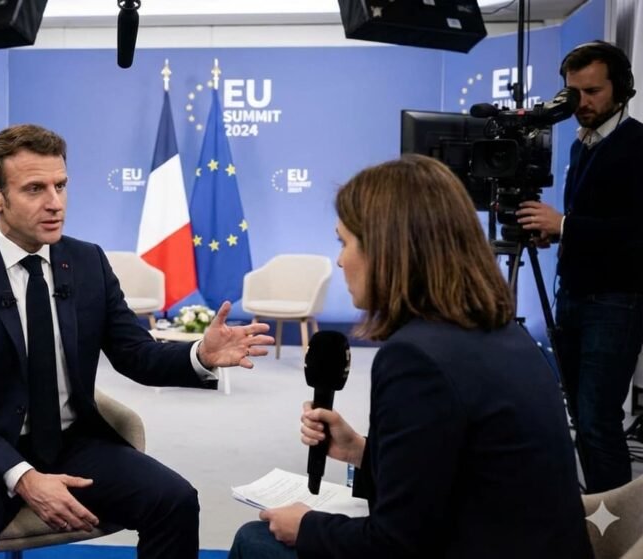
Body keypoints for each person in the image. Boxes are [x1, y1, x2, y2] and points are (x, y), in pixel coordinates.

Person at [0, 124, 274, 559]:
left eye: (61, 185)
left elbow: (135, 354)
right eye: (34, 189)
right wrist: (23, 475)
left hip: (69, 441)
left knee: (175, 500)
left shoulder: (87, 261)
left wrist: (200, 354)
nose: (55, 203)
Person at [228, 155, 590, 558]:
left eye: (344, 242)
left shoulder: (416, 359)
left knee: (255, 540)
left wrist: (308, 526)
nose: (340, 260)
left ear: (386, 250)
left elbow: (396, 545)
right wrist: (362, 451)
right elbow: (462, 474)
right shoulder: (503, 333)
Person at [517, 40, 643, 494]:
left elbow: (635, 231)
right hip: (573, 294)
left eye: (592, 92)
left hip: (615, 302)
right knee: (578, 416)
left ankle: (616, 527)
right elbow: (597, 223)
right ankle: (591, 511)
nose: (581, 103)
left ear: (621, 89)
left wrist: (566, 223)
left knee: (597, 419)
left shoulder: (638, 145)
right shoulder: (581, 146)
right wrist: (557, 232)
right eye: (574, 93)